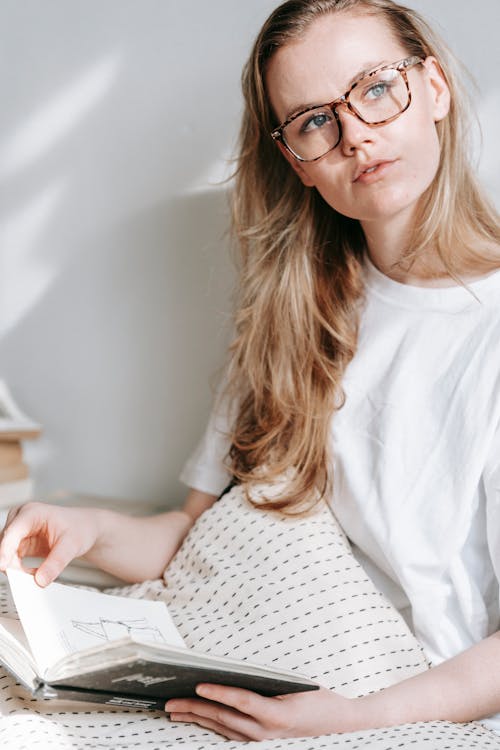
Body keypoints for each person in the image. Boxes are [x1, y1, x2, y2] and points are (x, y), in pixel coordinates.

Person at [1, 0, 500, 741]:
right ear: (295, 160)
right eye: (314, 121)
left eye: (375, 88)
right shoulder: (290, 313)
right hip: (248, 658)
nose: (356, 135)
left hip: (399, 693)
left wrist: (354, 720)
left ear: (433, 88)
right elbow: (199, 536)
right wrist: (85, 531)